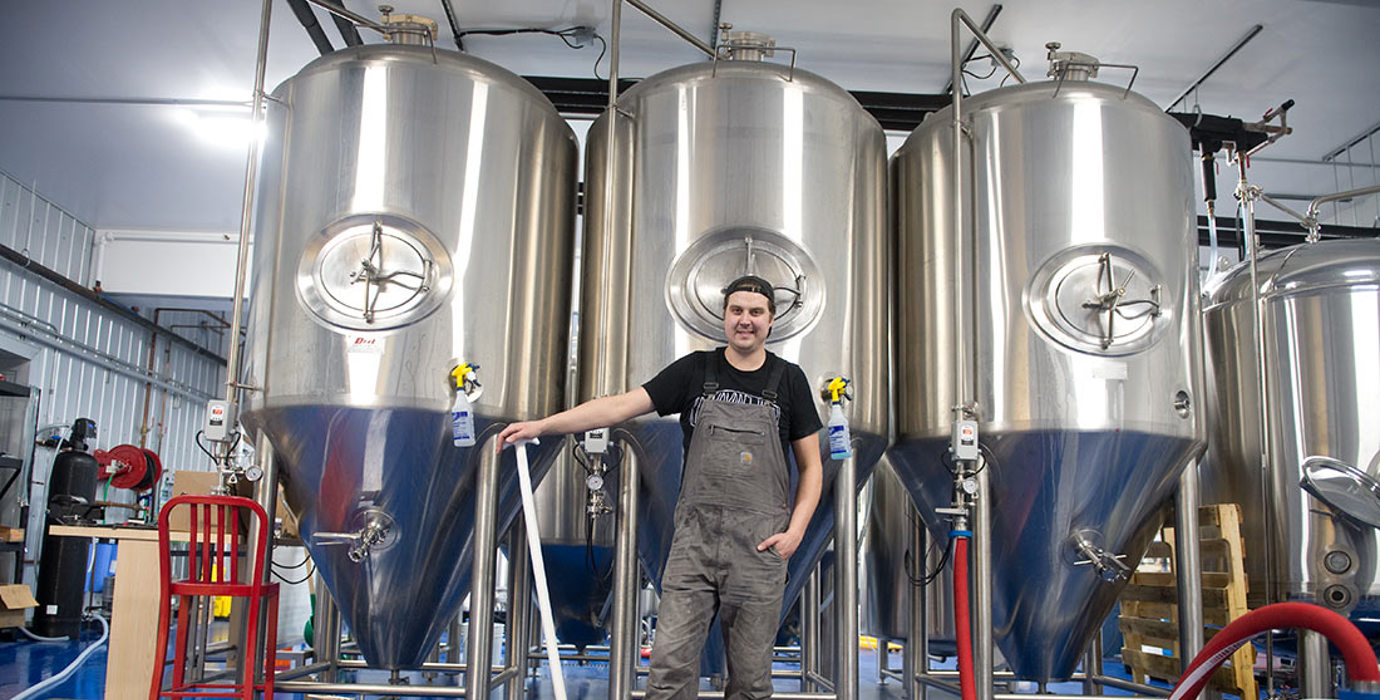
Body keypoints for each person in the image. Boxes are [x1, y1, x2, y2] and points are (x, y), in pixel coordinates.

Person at [499, 274, 824, 699]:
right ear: (725, 316)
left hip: (759, 548)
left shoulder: (789, 380)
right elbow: (619, 406)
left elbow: (811, 467)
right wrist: (544, 425)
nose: (745, 320)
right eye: (737, 311)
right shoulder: (695, 370)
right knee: (669, 669)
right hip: (695, 545)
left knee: (750, 680)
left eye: (755, 312)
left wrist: (795, 532)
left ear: (771, 320)